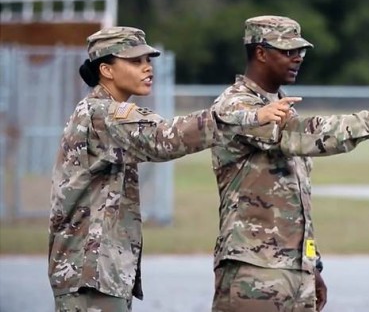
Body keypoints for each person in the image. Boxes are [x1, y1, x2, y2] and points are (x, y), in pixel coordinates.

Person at [48, 26, 297, 312]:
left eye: (148, 60)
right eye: (134, 61)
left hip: (93, 272)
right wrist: (249, 117)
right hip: (88, 274)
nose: (147, 68)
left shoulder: (99, 112)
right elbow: (164, 137)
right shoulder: (103, 114)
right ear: (106, 69)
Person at [210, 15, 369, 312]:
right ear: (261, 52)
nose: (298, 58)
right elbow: (299, 135)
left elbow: (291, 200)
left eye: (300, 51)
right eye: (287, 51)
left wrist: (312, 265)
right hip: (253, 270)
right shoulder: (236, 106)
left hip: (294, 270)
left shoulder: (281, 104)